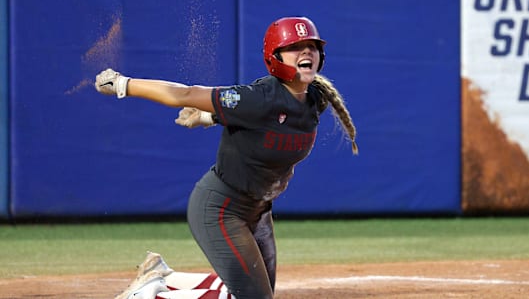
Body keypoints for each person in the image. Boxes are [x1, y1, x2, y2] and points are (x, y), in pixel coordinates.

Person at [97, 17, 358, 299]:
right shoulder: (260, 97)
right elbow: (185, 94)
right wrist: (124, 84)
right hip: (221, 209)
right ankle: (151, 295)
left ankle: (166, 279)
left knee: (255, 291)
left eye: (312, 46)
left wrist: (210, 117)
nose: (306, 51)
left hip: (257, 210)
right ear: (275, 57)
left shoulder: (314, 99)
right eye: (295, 46)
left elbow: (267, 125)